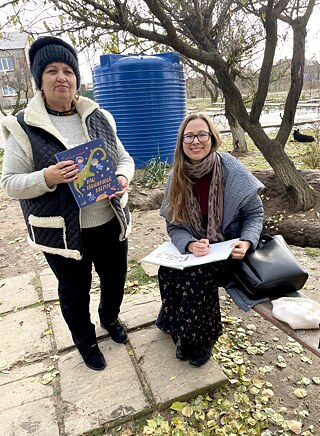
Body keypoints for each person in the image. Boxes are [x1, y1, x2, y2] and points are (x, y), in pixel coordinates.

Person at [0, 36, 135, 371]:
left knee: (115, 277)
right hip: (62, 233)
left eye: (68, 71)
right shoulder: (22, 127)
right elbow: (9, 184)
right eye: (51, 71)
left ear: (76, 79)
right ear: (39, 81)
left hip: (109, 219)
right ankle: (86, 342)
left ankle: (110, 318)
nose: (61, 77)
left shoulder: (100, 116)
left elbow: (124, 159)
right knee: (75, 291)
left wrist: (121, 179)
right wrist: (47, 177)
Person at [156, 113, 264, 367]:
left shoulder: (230, 169)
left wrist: (246, 242)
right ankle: (179, 327)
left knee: (196, 275)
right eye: (189, 136)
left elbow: (254, 214)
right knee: (168, 271)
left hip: (229, 249)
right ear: (182, 142)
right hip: (198, 249)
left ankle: (203, 338)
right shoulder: (177, 176)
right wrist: (190, 244)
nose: (196, 141)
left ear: (213, 138)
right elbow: (174, 225)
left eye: (202, 134)